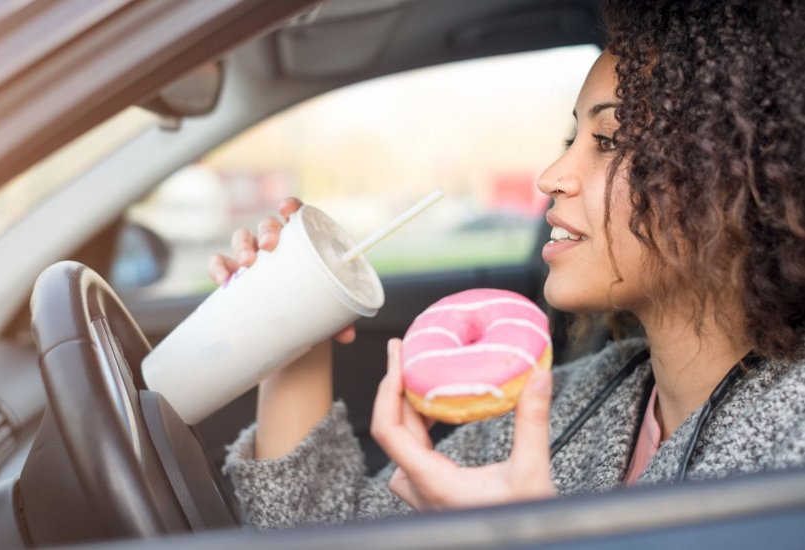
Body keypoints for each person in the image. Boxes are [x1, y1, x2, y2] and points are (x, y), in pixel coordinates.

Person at [208, 0, 805, 530]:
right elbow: (327, 533)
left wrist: (527, 532)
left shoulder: (791, 433)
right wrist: (293, 330)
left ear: (738, 181)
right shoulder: (582, 395)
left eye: (609, 141)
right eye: (572, 139)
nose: (551, 176)